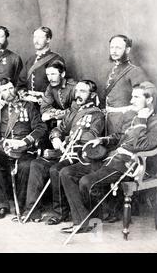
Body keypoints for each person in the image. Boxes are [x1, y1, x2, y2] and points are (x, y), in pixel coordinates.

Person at [60, 81, 157, 234]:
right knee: (67, 173)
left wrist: (141, 121)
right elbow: (120, 137)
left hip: (128, 165)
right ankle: (83, 220)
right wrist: (103, 140)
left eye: (136, 97)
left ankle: (90, 221)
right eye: (132, 97)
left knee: (86, 181)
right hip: (111, 159)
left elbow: (140, 146)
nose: (131, 101)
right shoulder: (132, 116)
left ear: (149, 100)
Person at [23, 80, 105, 225]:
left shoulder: (96, 114)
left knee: (55, 169)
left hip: (78, 155)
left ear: (92, 95)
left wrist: (68, 139)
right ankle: (31, 210)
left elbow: (91, 136)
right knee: (36, 164)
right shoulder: (73, 111)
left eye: (83, 91)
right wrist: (55, 138)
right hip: (63, 152)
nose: (78, 94)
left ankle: (60, 212)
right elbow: (58, 129)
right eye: (77, 91)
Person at [0, 79, 47, 219]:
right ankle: (2, 205)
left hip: (23, 147)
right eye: (5, 90)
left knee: (25, 166)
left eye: (11, 88)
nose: (9, 92)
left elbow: (41, 127)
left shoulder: (28, 106)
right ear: (0, 93)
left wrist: (24, 142)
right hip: (4, 148)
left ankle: (23, 206)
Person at [104, 34, 148, 135]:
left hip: (124, 120)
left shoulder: (135, 71)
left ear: (127, 50)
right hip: (109, 120)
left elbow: (143, 98)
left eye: (118, 48)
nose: (114, 51)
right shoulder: (111, 70)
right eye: (112, 47)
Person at [20, 26, 66, 97]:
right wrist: (21, 91)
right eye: (35, 37)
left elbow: (59, 86)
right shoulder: (30, 60)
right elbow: (21, 82)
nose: (36, 40)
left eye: (40, 37)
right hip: (29, 102)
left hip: (47, 103)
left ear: (48, 39)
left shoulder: (56, 59)